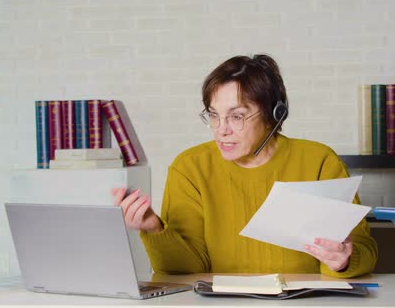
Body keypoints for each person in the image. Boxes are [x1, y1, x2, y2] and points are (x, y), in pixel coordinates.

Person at [112, 54, 377, 278]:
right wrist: (153, 228)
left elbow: (365, 250)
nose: (221, 130)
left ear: (275, 114)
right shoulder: (190, 167)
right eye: (214, 115)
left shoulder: (319, 160)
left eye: (236, 116)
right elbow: (187, 269)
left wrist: (341, 261)